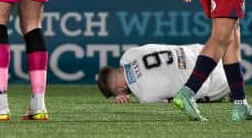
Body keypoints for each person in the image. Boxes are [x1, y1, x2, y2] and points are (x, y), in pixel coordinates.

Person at [97, 44, 230, 104]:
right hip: (205, 51)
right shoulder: (129, 54)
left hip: (216, 82)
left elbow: (172, 102)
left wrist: (123, 96)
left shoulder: (145, 96)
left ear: (120, 90)